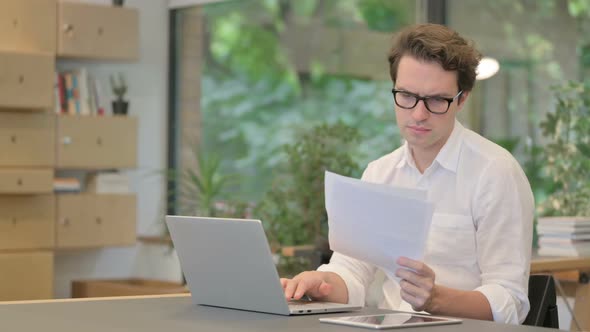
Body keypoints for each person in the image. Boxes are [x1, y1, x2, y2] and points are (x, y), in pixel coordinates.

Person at [280, 23, 534, 325]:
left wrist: (436, 299)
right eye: (406, 95)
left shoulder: (495, 173)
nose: (418, 114)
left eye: (437, 100)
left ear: (462, 99)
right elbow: (353, 272)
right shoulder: (380, 172)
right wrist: (319, 284)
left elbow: (510, 301)